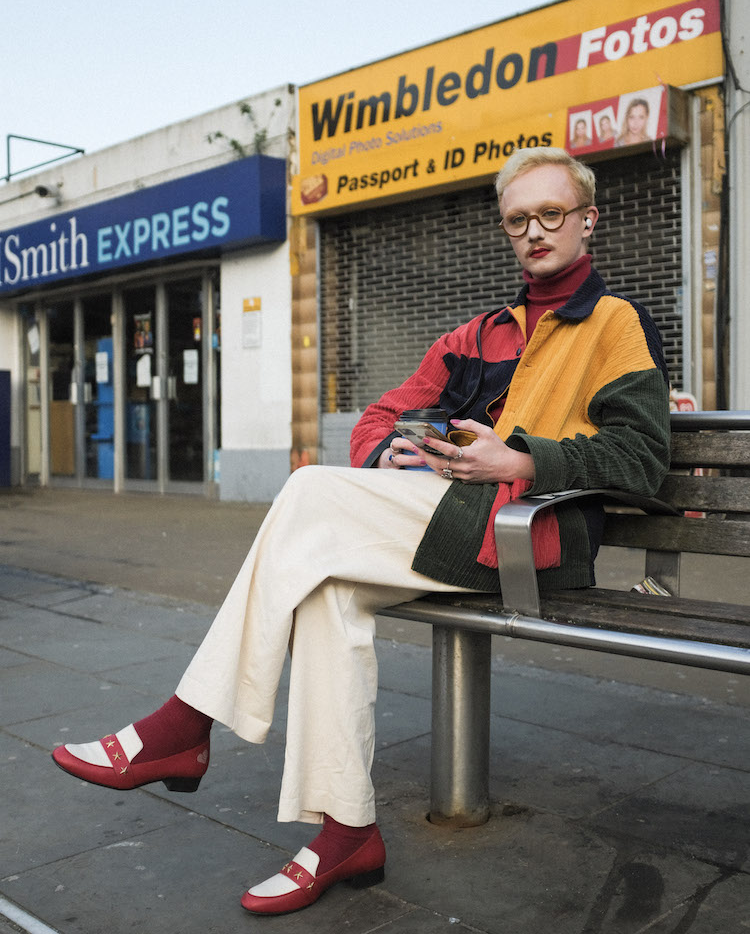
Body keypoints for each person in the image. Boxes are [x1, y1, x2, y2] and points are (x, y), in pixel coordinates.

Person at [52, 147, 671, 916]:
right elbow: (380, 415)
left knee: (309, 491)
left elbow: (642, 461)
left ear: (588, 220)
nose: (535, 231)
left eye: (551, 214)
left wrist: (517, 456)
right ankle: (346, 828)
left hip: (531, 536)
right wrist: (395, 452)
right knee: (326, 592)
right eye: (517, 220)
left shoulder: (615, 324)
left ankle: (185, 723)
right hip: (442, 521)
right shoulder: (477, 335)